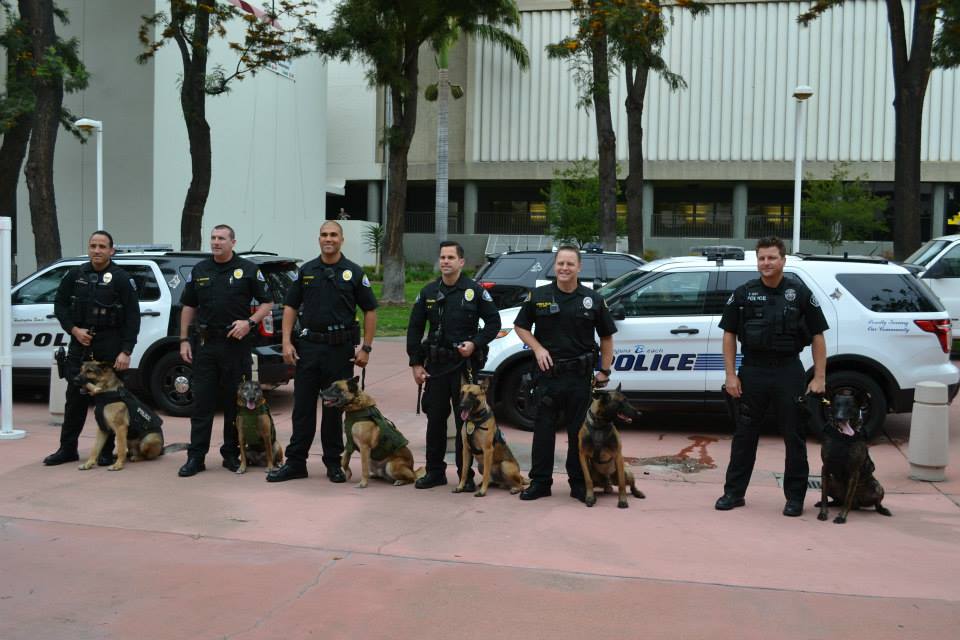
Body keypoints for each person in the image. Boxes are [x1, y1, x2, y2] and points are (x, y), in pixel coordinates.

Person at [714, 236, 828, 517]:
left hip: (789, 370)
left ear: (783, 260)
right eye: (762, 258)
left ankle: (795, 498)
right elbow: (728, 335)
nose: (766, 263)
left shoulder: (799, 293)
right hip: (753, 371)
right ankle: (733, 493)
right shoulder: (743, 293)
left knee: (794, 436)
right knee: (744, 435)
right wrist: (731, 375)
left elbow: (817, 335)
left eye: (772, 258)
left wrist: (819, 377)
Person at [267, 220, 377, 483]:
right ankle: (296, 463)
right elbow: (291, 307)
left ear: (341, 239)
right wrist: (286, 342)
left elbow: (370, 309)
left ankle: (333, 463)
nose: (328, 239)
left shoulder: (353, 272)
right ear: (319, 239)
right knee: (302, 408)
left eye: (333, 235)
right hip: (310, 348)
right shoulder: (306, 271)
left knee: (333, 409)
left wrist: (367, 348)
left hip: (340, 351)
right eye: (324, 235)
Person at [513, 246, 617, 501]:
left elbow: (606, 336)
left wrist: (604, 370)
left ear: (579, 268)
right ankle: (540, 483)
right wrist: (537, 349)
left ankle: (579, 484)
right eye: (560, 263)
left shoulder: (592, 299)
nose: (564, 268)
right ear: (555, 266)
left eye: (570, 264)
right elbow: (520, 326)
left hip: (579, 377)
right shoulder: (538, 296)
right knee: (543, 432)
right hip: (547, 376)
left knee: (578, 433)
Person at [177, 225, 274, 477]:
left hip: (236, 346)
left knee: (236, 404)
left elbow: (267, 302)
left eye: (221, 238)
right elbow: (188, 305)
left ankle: (231, 453)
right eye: (213, 238)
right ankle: (196, 457)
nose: (216, 242)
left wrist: (250, 323)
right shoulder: (200, 270)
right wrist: (184, 339)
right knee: (202, 404)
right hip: (206, 345)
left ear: (233, 242)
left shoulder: (249, 270)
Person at [406, 241, 501, 490]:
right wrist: (416, 363)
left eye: (451, 257)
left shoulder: (475, 291)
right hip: (436, 367)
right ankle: (434, 472)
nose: (445, 261)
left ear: (461, 262)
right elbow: (415, 329)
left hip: (463, 368)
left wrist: (475, 343)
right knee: (435, 420)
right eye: (442, 257)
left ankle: (464, 475)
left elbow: (493, 322)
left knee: (465, 423)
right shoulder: (427, 292)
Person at [43, 230, 141, 466]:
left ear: (111, 250)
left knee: (110, 403)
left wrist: (126, 351)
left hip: (110, 348)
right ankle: (67, 449)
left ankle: (107, 452)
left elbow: (132, 317)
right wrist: (74, 330)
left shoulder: (120, 278)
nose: (97, 250)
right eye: (93, 246)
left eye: (102, 246)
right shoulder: (75, 275)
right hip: (80, 346)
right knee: (74, 401)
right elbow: (60, 305)